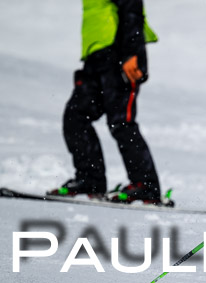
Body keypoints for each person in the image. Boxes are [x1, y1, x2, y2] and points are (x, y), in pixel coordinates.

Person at [49, 0, 163, 204]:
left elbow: (132, 8)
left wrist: (131, 53)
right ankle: (89, 180)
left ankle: (145, 185)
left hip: (120, 56)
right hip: (96, 58)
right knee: (75, 117)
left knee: (121, 122)